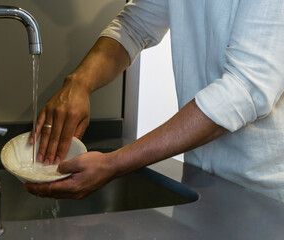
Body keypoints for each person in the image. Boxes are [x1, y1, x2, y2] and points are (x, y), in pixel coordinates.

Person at [24, 0, 284, 202]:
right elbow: (135, 25)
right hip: (201, 182)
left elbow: (245, 89)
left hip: (263, 195)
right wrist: (79, 83)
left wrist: (113, 164)